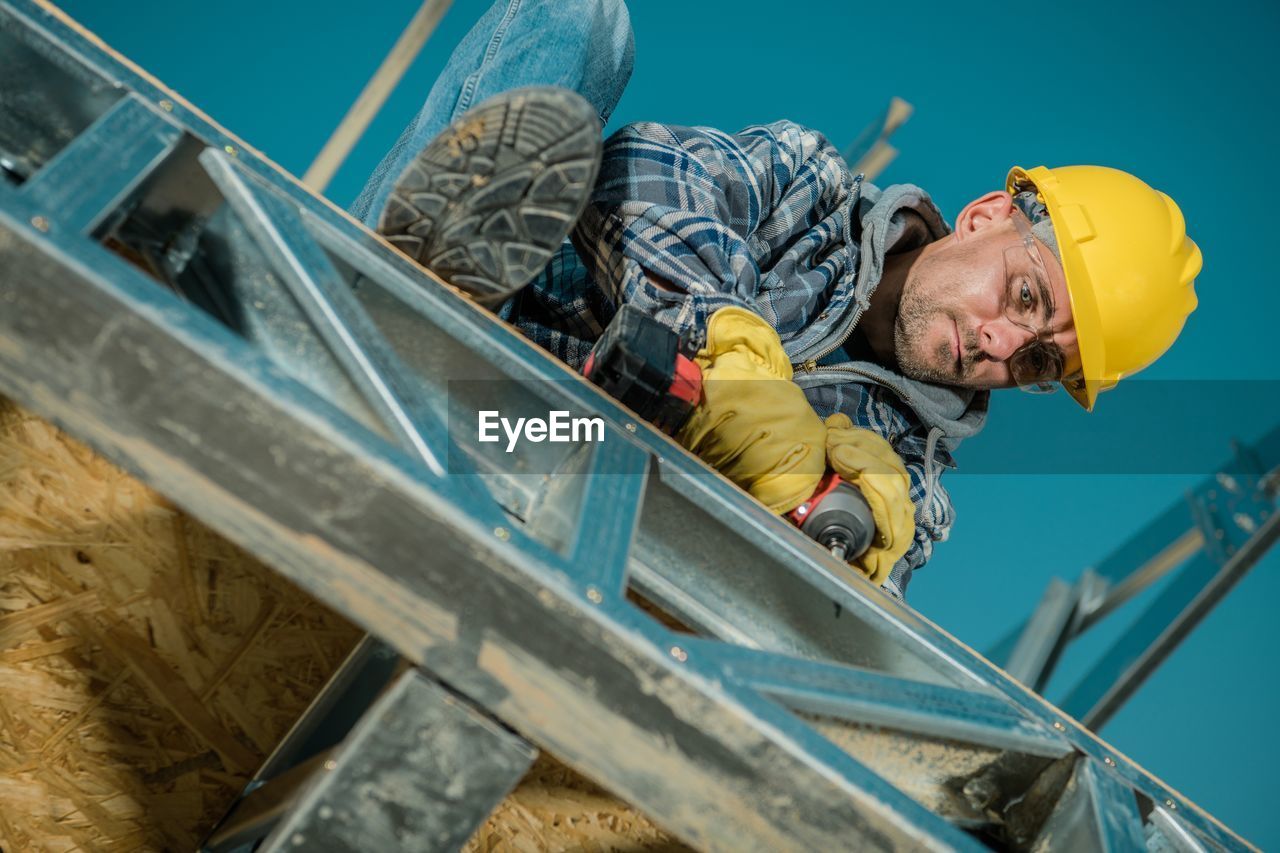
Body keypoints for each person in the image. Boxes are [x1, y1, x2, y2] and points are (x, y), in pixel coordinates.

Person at [351, 0, 1201, 603]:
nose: (999, 342)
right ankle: (391, 290)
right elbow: (643, 173)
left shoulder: (909, 485)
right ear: (985, 215)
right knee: (583, 23)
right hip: (493, 329)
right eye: (1024, 295)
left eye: (1041, 360)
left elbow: (851, 614)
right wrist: (729, 341)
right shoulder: (811, 185)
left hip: (533, 444)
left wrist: (849, 535)